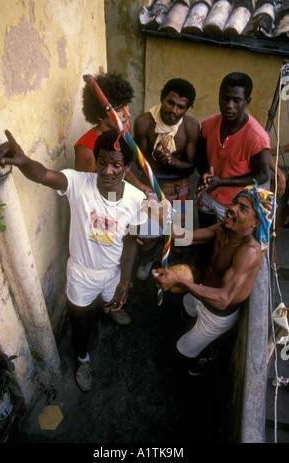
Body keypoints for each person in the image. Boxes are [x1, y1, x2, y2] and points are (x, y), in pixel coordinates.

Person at [0, 129, 148, 392]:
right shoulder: (78, 183)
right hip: (81, 275)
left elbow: (132, 242)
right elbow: (44, 175)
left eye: (117, 165)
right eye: (102, 162)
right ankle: (83, 359)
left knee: (115, 300)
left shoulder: (136, 199)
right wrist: (24, 161)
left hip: (112, 273)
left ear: (127, 166)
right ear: (96, 160)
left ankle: (113, 308)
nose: (108, 171)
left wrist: (125, 281)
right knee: (80, 324)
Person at [153, 183, 276, 376]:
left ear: (256, 223)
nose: (232, 208)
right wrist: (156, 214)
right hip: (202, 291)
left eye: (242, 208)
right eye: (235, 202)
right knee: (186, 310)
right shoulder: (224, 227)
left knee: (180, 351)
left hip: (215, 315)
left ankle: (207, 355)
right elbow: (185, 238)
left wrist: (181, 282)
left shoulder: (248, 252)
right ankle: (194, 329)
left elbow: (223, 298)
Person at [133, 78, 200, 279]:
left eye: (181, 107)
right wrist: (156, 158)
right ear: (162, 98)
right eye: (170, 102)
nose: (173, 110)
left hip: (180, 185)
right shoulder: (144, 122)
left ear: (187, 108)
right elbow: (139, 163)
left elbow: (190, 167)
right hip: (151, 184)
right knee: (148, 231)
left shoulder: (191, 127)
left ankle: (174, 264)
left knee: (179, 233)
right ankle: (146, 261)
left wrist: (171, 161)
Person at [196, 72, 271, 228]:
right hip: (208, 193)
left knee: (227, 246)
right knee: (205, 237)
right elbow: (200, 157)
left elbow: (263, 176)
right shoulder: (208, 124)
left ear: (247, 101)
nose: (229, 105)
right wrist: (204, 173)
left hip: (234, 203)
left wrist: (222, 182)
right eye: (225, 98)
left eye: (236, 100)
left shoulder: (257, 137)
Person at [74, 71, 134, 173]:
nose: (127, 114)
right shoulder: (86, 151)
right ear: (99, 116)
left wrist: (139, 185)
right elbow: (87, 187)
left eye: (126, 105)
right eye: (119, 109)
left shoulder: (123, 127)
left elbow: (122, 168)